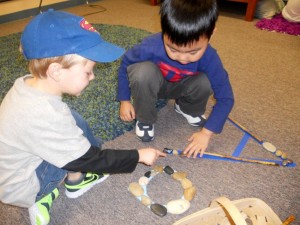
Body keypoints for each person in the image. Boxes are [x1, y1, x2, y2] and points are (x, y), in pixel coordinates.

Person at [0, 10, 165, 225]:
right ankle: (40, 197)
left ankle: (76, 180)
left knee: (72, 119)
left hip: (17, 161)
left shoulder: (27, 85)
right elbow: (91, 159)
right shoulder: (45, 114)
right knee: (76, 148)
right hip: (21, 184)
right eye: (88, 71)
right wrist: (138, 155)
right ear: (56, 71)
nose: (93, 76)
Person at [117, 0, 234, 158]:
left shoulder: (210, 58)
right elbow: (125, 63)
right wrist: (124, 100)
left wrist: (206, 134)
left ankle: (186, 108)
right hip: (153, 86)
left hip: (183, 87)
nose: (182, 58)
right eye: (172, 49)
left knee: (207, 79)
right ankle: (145, 120)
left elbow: (226, 98)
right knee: (141, 71)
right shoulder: (151, 45)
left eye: (193, 52)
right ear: (164, 32)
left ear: (211, 34)